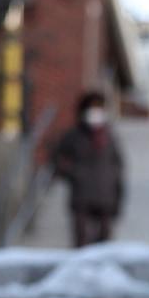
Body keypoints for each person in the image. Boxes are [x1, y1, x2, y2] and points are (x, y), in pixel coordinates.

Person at [52, 92, 125, 248]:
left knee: (104, 246)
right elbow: (57, 159)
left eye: (99, 108)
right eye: (92, 108)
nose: (96, 113)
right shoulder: (73, 135)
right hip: (82, 198)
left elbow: (118, 167)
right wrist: (74, 174)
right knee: (82, 244)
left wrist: (118, 199)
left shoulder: (109, 136)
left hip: (106, 198)